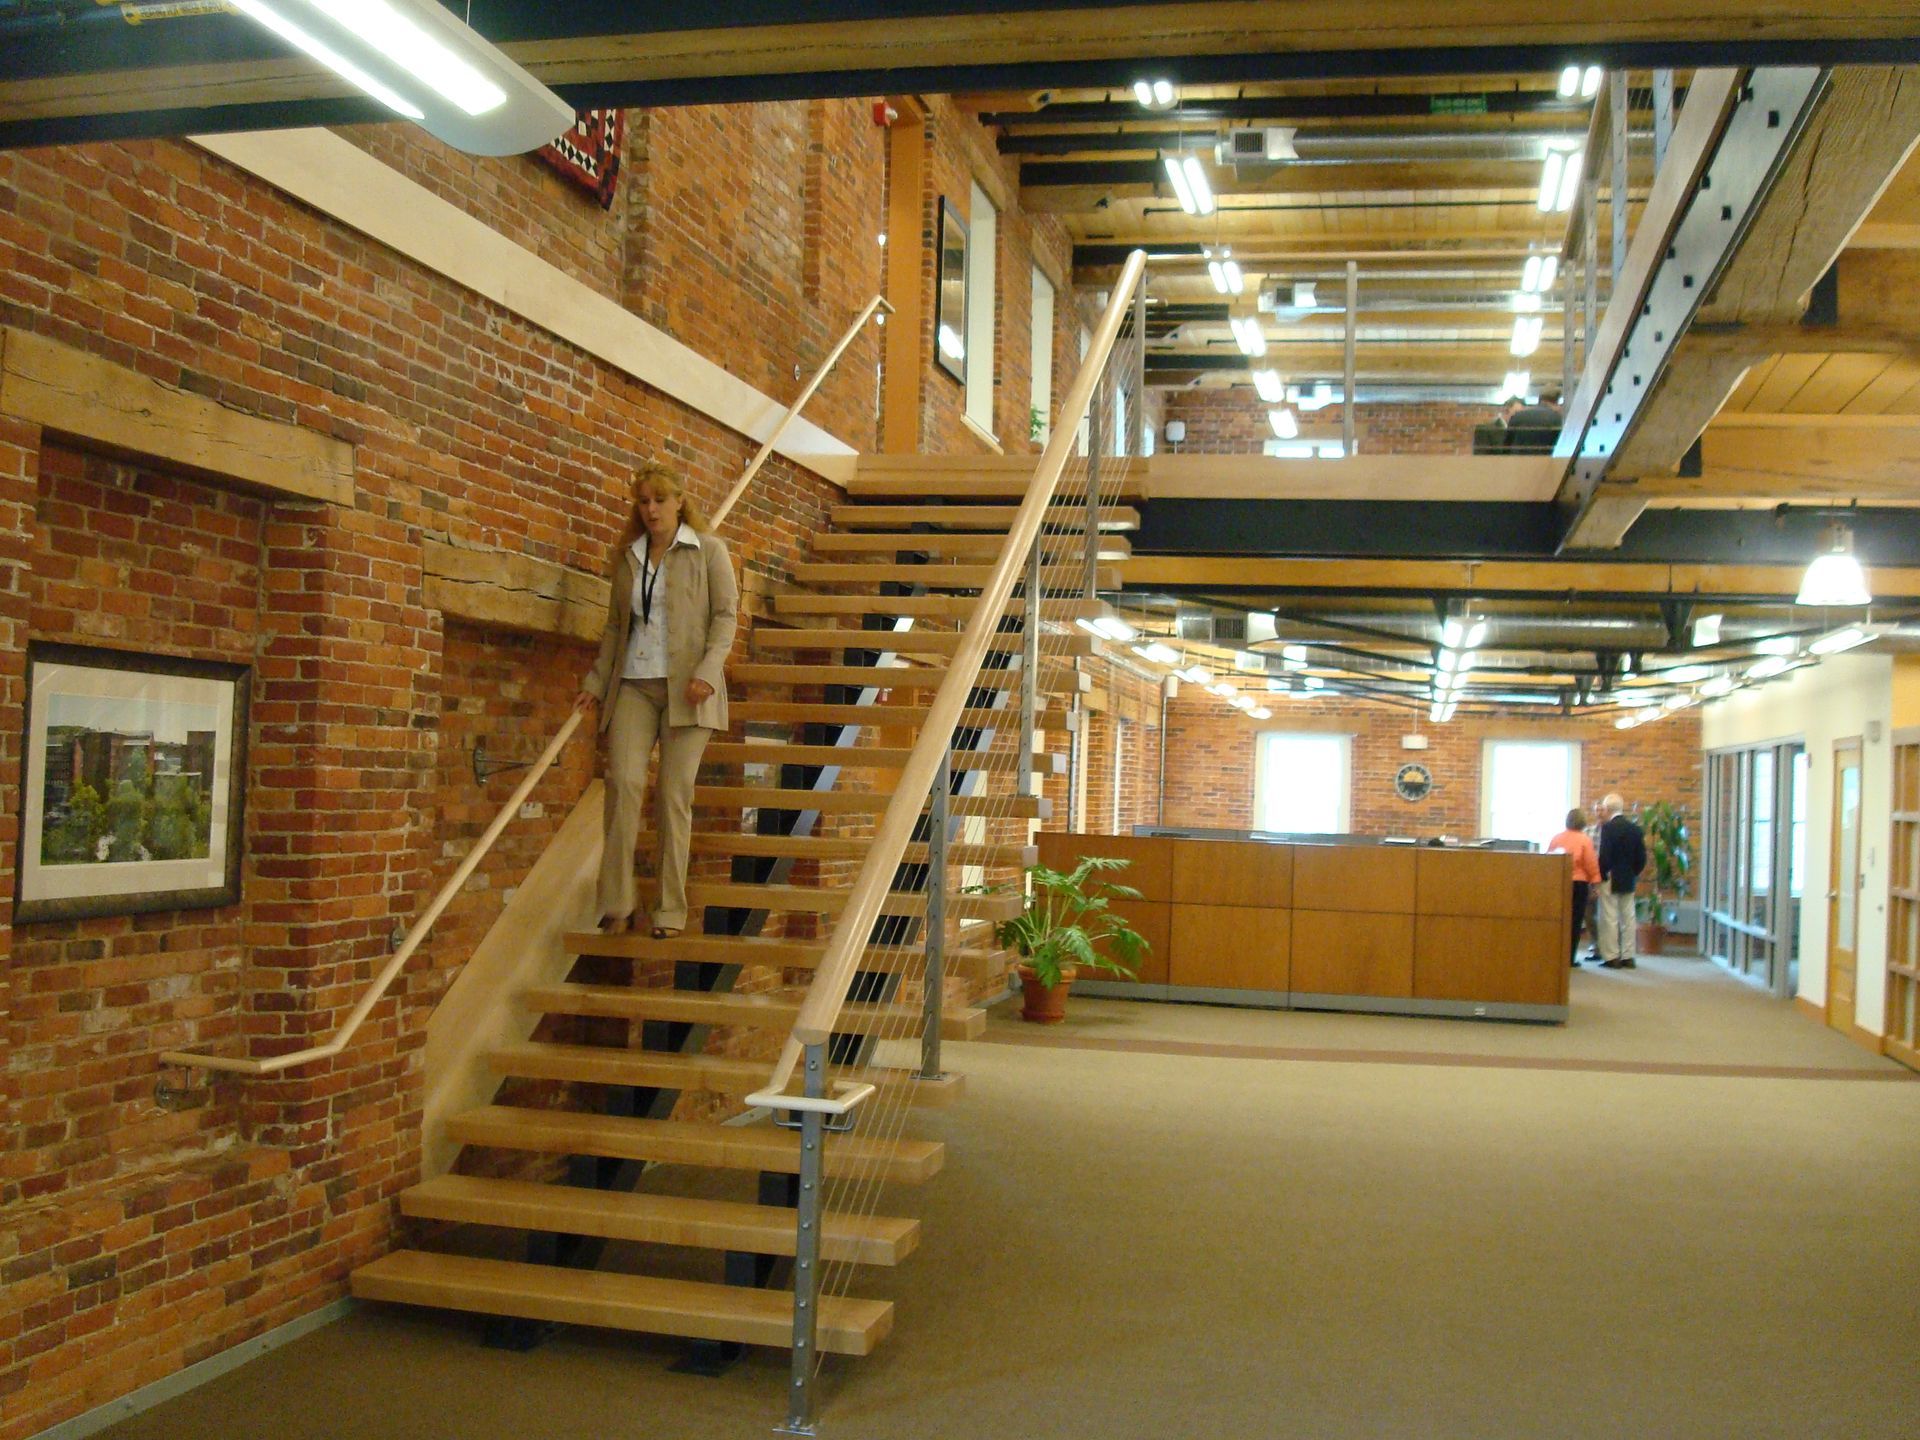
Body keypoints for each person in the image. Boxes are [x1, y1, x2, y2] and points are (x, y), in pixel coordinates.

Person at [576, 463, 738, 938]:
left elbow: (726, 617)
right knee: (623, 783)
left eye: (659, 500)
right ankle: (617, 903)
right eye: (643, 501)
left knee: (671, 795)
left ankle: (669, 910)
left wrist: (708, 672)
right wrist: (595, 680)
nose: (651, 509)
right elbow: (614, 628)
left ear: (680, 501)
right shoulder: (629, 556)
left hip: (690, 692)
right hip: (634, 685)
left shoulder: (708, 550)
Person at [1594, 793, 1647, 969]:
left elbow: (1605, 856)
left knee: (1609, 917)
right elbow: (1641, 858)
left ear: (1608, 809)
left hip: (1611, 877)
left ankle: (1611, 957)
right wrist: (1633, 872)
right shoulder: (1635, 829)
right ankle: (1629, 956)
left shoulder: (1608, 828)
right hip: (1628, 877)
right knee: (1629, 917)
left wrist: (1601, 875)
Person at [1547, 806, 1599, 966]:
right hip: (1579, 884)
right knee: (1575, 921)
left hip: (1560, 882)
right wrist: (1596, 882)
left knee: (1559, 920)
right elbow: (1590, 863)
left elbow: (1549, 860)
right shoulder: (1584, 840)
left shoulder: (1557, 838)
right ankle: (1569, 958)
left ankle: (1556, 956)